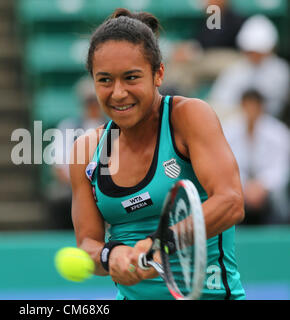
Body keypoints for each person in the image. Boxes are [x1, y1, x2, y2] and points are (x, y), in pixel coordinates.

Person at [69, 8, 245, 300]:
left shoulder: (188, 117)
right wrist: (111, 256)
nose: (118, 93)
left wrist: (162, 243)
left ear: (158, 73)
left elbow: (231, 202)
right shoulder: (86, 150)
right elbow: (87, 243)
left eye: (131, 77)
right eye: (104, 80)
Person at [45, 76, 106, 229]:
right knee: (58, 197)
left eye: (95, 100)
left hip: (108, 186)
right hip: (74, 186)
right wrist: (83, 187)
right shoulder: (67, 126)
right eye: (89, 101)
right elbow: (58, 165)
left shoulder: (115, 126)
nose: (93, 105)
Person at [223, 89, 289, 225]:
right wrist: (245, 186)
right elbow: (227, 165)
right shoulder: (228, 130)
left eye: (254, 105)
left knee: (279, 203)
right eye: (247, 105)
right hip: (239, 190)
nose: (251, 110)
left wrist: (262, 186)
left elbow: (281, 168)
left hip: (269, 194)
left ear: (261, 107)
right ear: (242, 106)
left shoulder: (279, 132)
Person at [208, 14, 289, 120]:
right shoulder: (236, 70)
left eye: (258, 52)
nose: (254, 56)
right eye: (250, 52)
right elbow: (220, 100)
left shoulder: (281, 72)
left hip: (267, 122)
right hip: (235, 122)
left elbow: (276, 106)